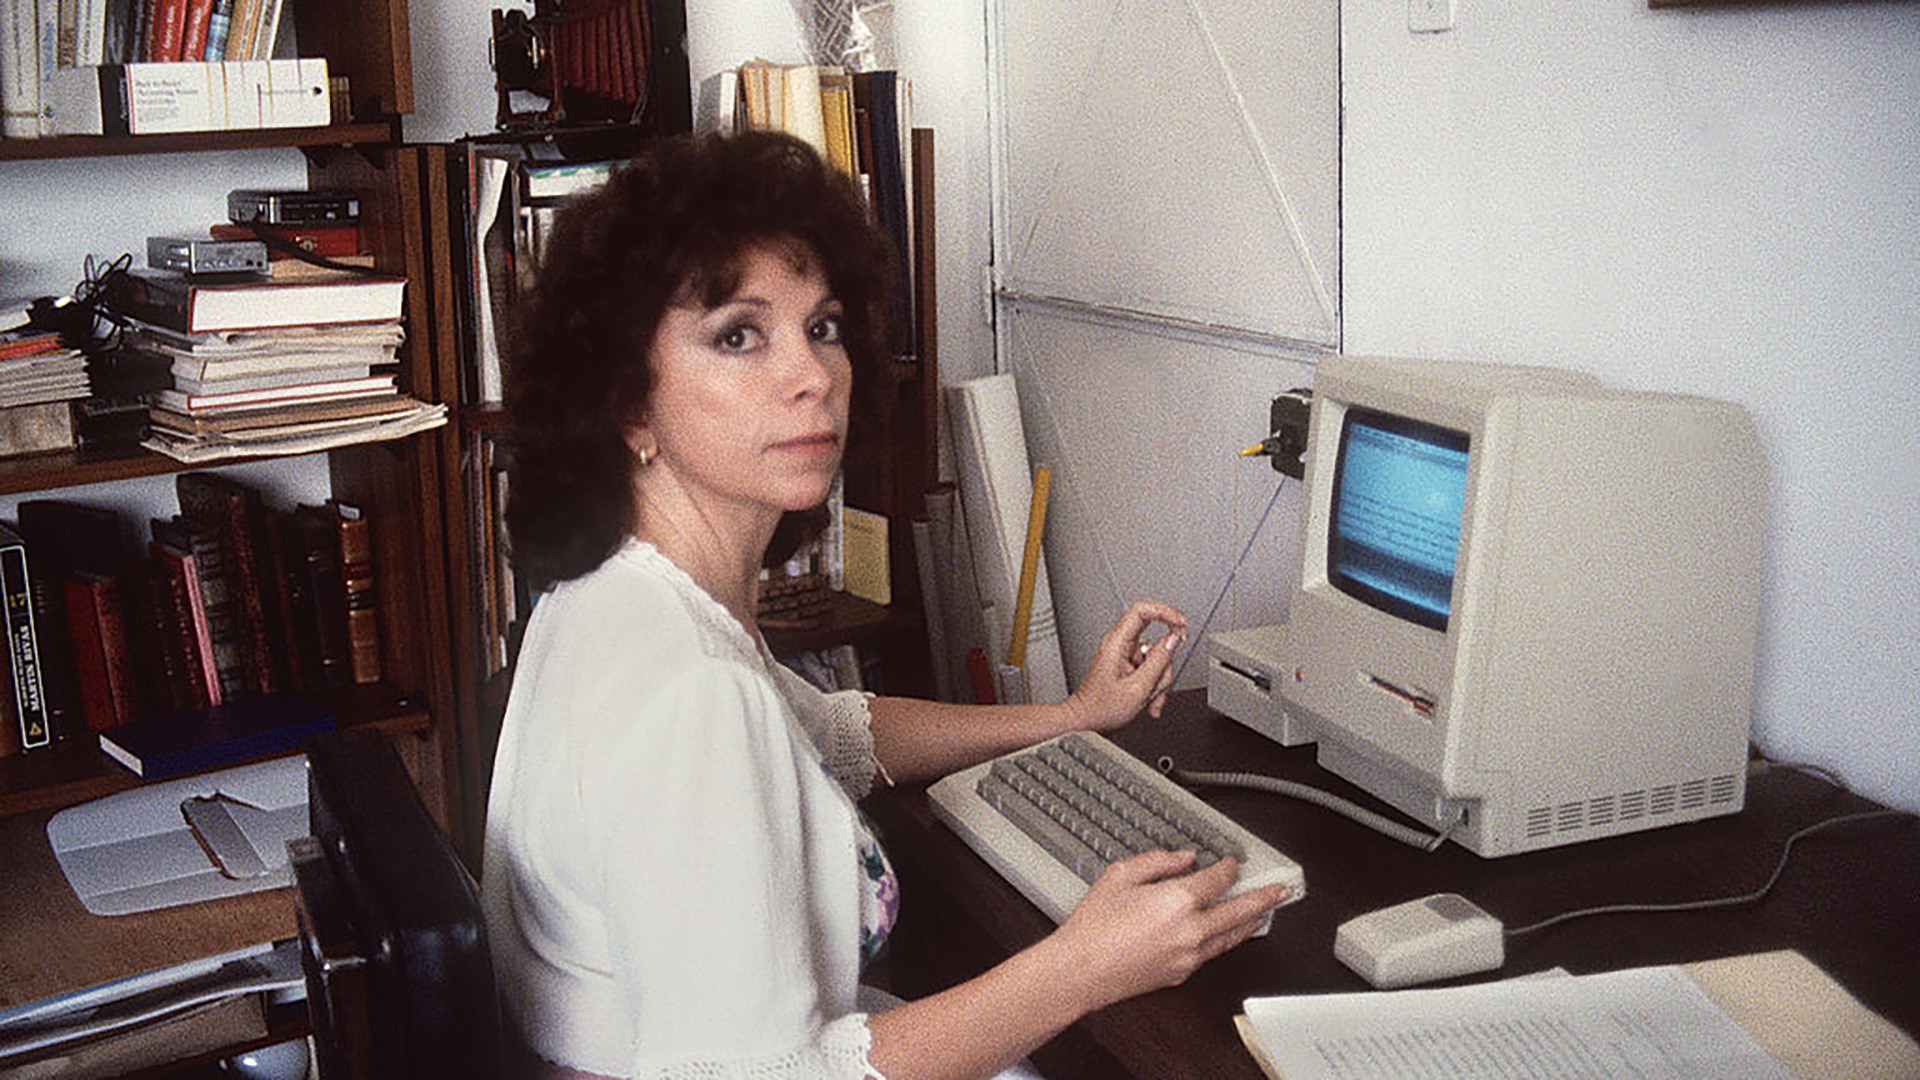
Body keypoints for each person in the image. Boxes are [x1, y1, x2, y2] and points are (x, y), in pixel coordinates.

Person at [482, 130, 1289, 1080]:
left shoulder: (624, 593)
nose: (812, 376)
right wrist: (1085, 967)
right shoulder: (686, 695)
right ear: (627, 404)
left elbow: (830, 732)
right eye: (739, 336)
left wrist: (1071, 718)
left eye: (823, 327)